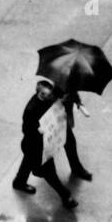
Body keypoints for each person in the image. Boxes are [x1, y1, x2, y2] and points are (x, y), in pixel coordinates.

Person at [13, 78, 77, 208]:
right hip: (35, 146)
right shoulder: (31, 108)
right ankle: (66, 196)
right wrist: (38, 130)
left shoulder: (48, 99)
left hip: (35, 146)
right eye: (44, 94)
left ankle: (19, 182)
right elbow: (25, 129)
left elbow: (58, 98)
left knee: (28, 162)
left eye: (49, 94)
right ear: (38, 92)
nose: (47, 97)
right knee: (50, 174)